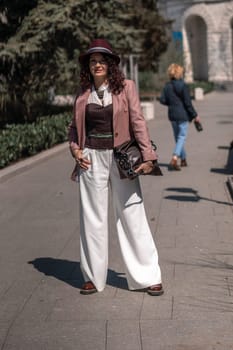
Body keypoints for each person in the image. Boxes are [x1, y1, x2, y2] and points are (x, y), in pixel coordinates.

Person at [68, 38, 163, 296]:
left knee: (132, 213)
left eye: (101, 60)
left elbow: (138, 121)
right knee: (92, 218)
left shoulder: (126, 87)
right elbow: (74, 129)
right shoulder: (82, 93)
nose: (97, 65)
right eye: (92, 61)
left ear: (111, 64)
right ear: (87, 66)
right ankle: (92, 277)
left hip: (122, 157)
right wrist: (75, 150)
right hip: (90, 158)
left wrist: (148, 155)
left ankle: (148, 276)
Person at [160, 63, 201, 170]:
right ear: (180, 73)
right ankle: (175, 157)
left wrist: (172, 103)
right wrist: (195, 115)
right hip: (183, 115)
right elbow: (188, 103)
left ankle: (183, 159)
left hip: (172, 115)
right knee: (181, 137)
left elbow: (162, 100)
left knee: (178, 138)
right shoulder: (183, 85)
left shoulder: (167, 86)